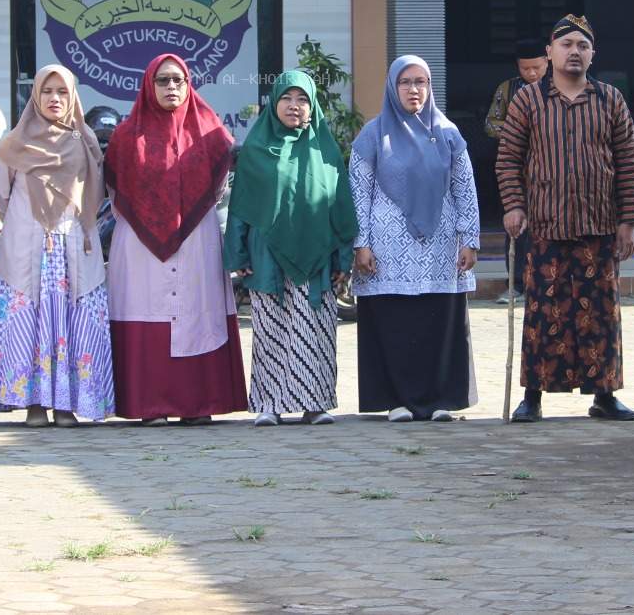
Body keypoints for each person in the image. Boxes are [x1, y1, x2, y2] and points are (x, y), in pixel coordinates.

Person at [496, 14, 634, 423]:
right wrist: (513, 206)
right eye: (566, 45)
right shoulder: (528, 100)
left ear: (592, 53)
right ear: (549, 53)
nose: (574, 52)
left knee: (601, 316)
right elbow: (508, 160)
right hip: (545, 227)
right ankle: (533, 396)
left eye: (582, 45)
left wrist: (628, 220)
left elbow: (629, 163)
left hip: (599, 228)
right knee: (544, 315)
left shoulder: (610, 99)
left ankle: (605, 395)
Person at [104, 53, 247, 424]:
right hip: (138, 245)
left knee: (196, 312)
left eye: (178, 80)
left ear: (188, 85)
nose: (171, 87)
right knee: (146, 310)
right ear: (148, 85)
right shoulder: (125, 136)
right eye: (163, 80)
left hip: (197, 238)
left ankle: (197, 404)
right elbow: (114, 191)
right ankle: (149, 404)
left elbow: (220, 189)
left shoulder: (212, 132)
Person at [224, 69, 359, 426]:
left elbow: (342, 209)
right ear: (274, 104)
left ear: (313, 107)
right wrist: (237, 255)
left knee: (316, 325)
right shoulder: (255, 149)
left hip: (318, 256)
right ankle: (270, 403)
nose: (294, 106)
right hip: (267, 255)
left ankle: (315, 402)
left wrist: (345, 258)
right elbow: (240, 207)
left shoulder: (326, 151)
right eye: (286, 98)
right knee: (270, 327)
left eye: (302, 100)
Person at [349, 55, 481, 422]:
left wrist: (469, 237)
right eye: (406, 82)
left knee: (439, 321)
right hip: (387, 250)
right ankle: (398, 401)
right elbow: (359, 192)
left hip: (441, 248)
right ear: (393, 87)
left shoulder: (449, 133)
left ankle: (442, 400)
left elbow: (464, 188)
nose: (414, 89)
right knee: (395, 322)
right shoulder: (373, 135)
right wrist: (361, 243)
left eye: (421, 82)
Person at [0, 64, 114, 426]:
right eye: (47, 91)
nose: (54, 99)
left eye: (62, 92)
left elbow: (98, 189)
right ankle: (34, 405)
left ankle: (66, 405)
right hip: (29, 245)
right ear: (35, 95)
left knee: (73, 322)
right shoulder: (15, 141)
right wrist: (25, 223)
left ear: (72, 95)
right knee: (30, 322)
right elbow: (0, 193)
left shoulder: (85, 139)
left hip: (74, 242)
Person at [483, 40, 550, 304]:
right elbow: (490, 123)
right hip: (517, 174)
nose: (532, 73)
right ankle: (518, 285)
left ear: (548, 60)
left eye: (536, 67)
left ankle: (546, 286)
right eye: (526, 69)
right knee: (517, 230)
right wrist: (518, 131)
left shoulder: (560, 87)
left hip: (551, 175)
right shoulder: (507, 89)